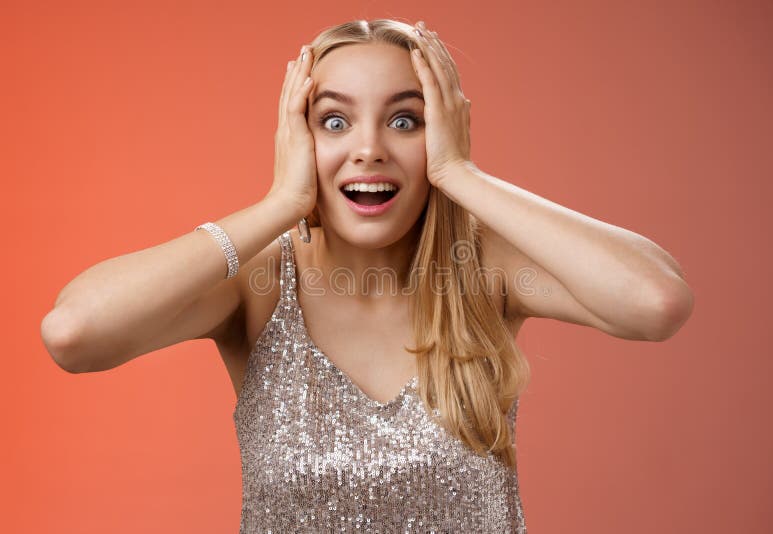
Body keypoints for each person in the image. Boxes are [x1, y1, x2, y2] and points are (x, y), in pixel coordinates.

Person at [40, 18, 694, 533]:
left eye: (405, 119)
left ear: (442, 132)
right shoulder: (258, 287)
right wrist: (278, 206)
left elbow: (656, 300)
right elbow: (74, 331)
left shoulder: (484, 273)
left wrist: (462, 176)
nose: (369, 147)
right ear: (298, 138)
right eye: (334, 120)